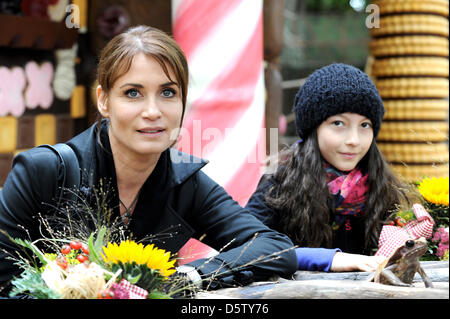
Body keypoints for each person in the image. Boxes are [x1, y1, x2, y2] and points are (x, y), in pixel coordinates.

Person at [0, 25, 297, 297]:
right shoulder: (44, 172)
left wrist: (190, 277)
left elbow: (274, 247)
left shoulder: (185, 183)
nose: (153, 111)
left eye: (168, 92)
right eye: (133, 93)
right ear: (104, 100)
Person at [246, 63, 419, 273]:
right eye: (338, 123)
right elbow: (247, 248)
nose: (354, 140)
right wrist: (327, 259)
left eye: (365, 125)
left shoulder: (381, 186)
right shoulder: (278, 185)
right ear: (313, 129)